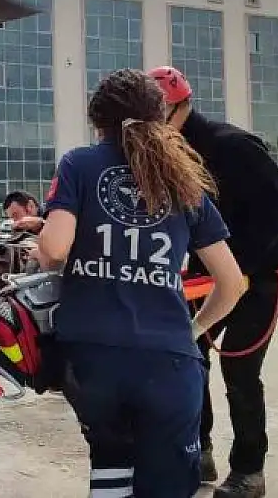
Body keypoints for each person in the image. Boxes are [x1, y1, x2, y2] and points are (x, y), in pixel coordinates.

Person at [32, 68, 248, 498]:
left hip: (94, 360)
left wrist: (40, 241)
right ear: (161, 117)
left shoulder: (80, 164)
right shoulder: (183, 181)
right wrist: (191, 332)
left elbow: (55, 249)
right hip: (167, 361)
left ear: (98, 121)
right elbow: (232, 282)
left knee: (112, 467)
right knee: (165, 484)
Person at [147, 65, 278, 498]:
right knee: (189, 358)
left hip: (259, 276)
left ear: (178, 107)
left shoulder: (234, 147)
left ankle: (249, 470)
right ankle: (199, 449)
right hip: (203, 279)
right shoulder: (168, 155)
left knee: (239, 368)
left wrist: (236, 269)